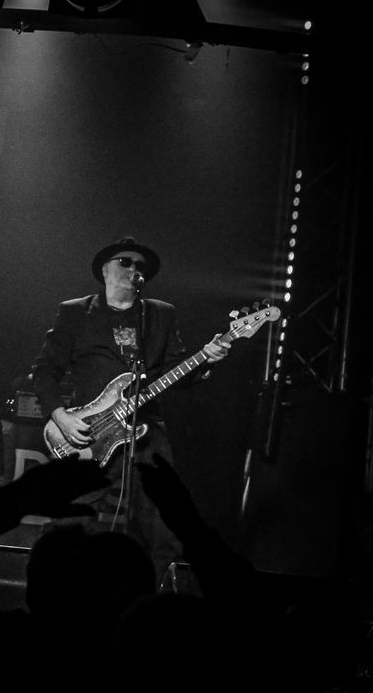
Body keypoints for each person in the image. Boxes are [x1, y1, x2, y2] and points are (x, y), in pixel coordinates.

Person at [29, 235, 231, 575]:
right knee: (70, 521)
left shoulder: (161, 314)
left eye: (140, 265)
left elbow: (174, 370)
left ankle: (150, 596)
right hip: (88, 432)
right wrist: (60, 416)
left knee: (165, 525)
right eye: (125, 261)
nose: (134, 268)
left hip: (146, 431)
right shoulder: (76, 312)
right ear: (105, 270)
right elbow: (46, 370)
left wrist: (205, 361)